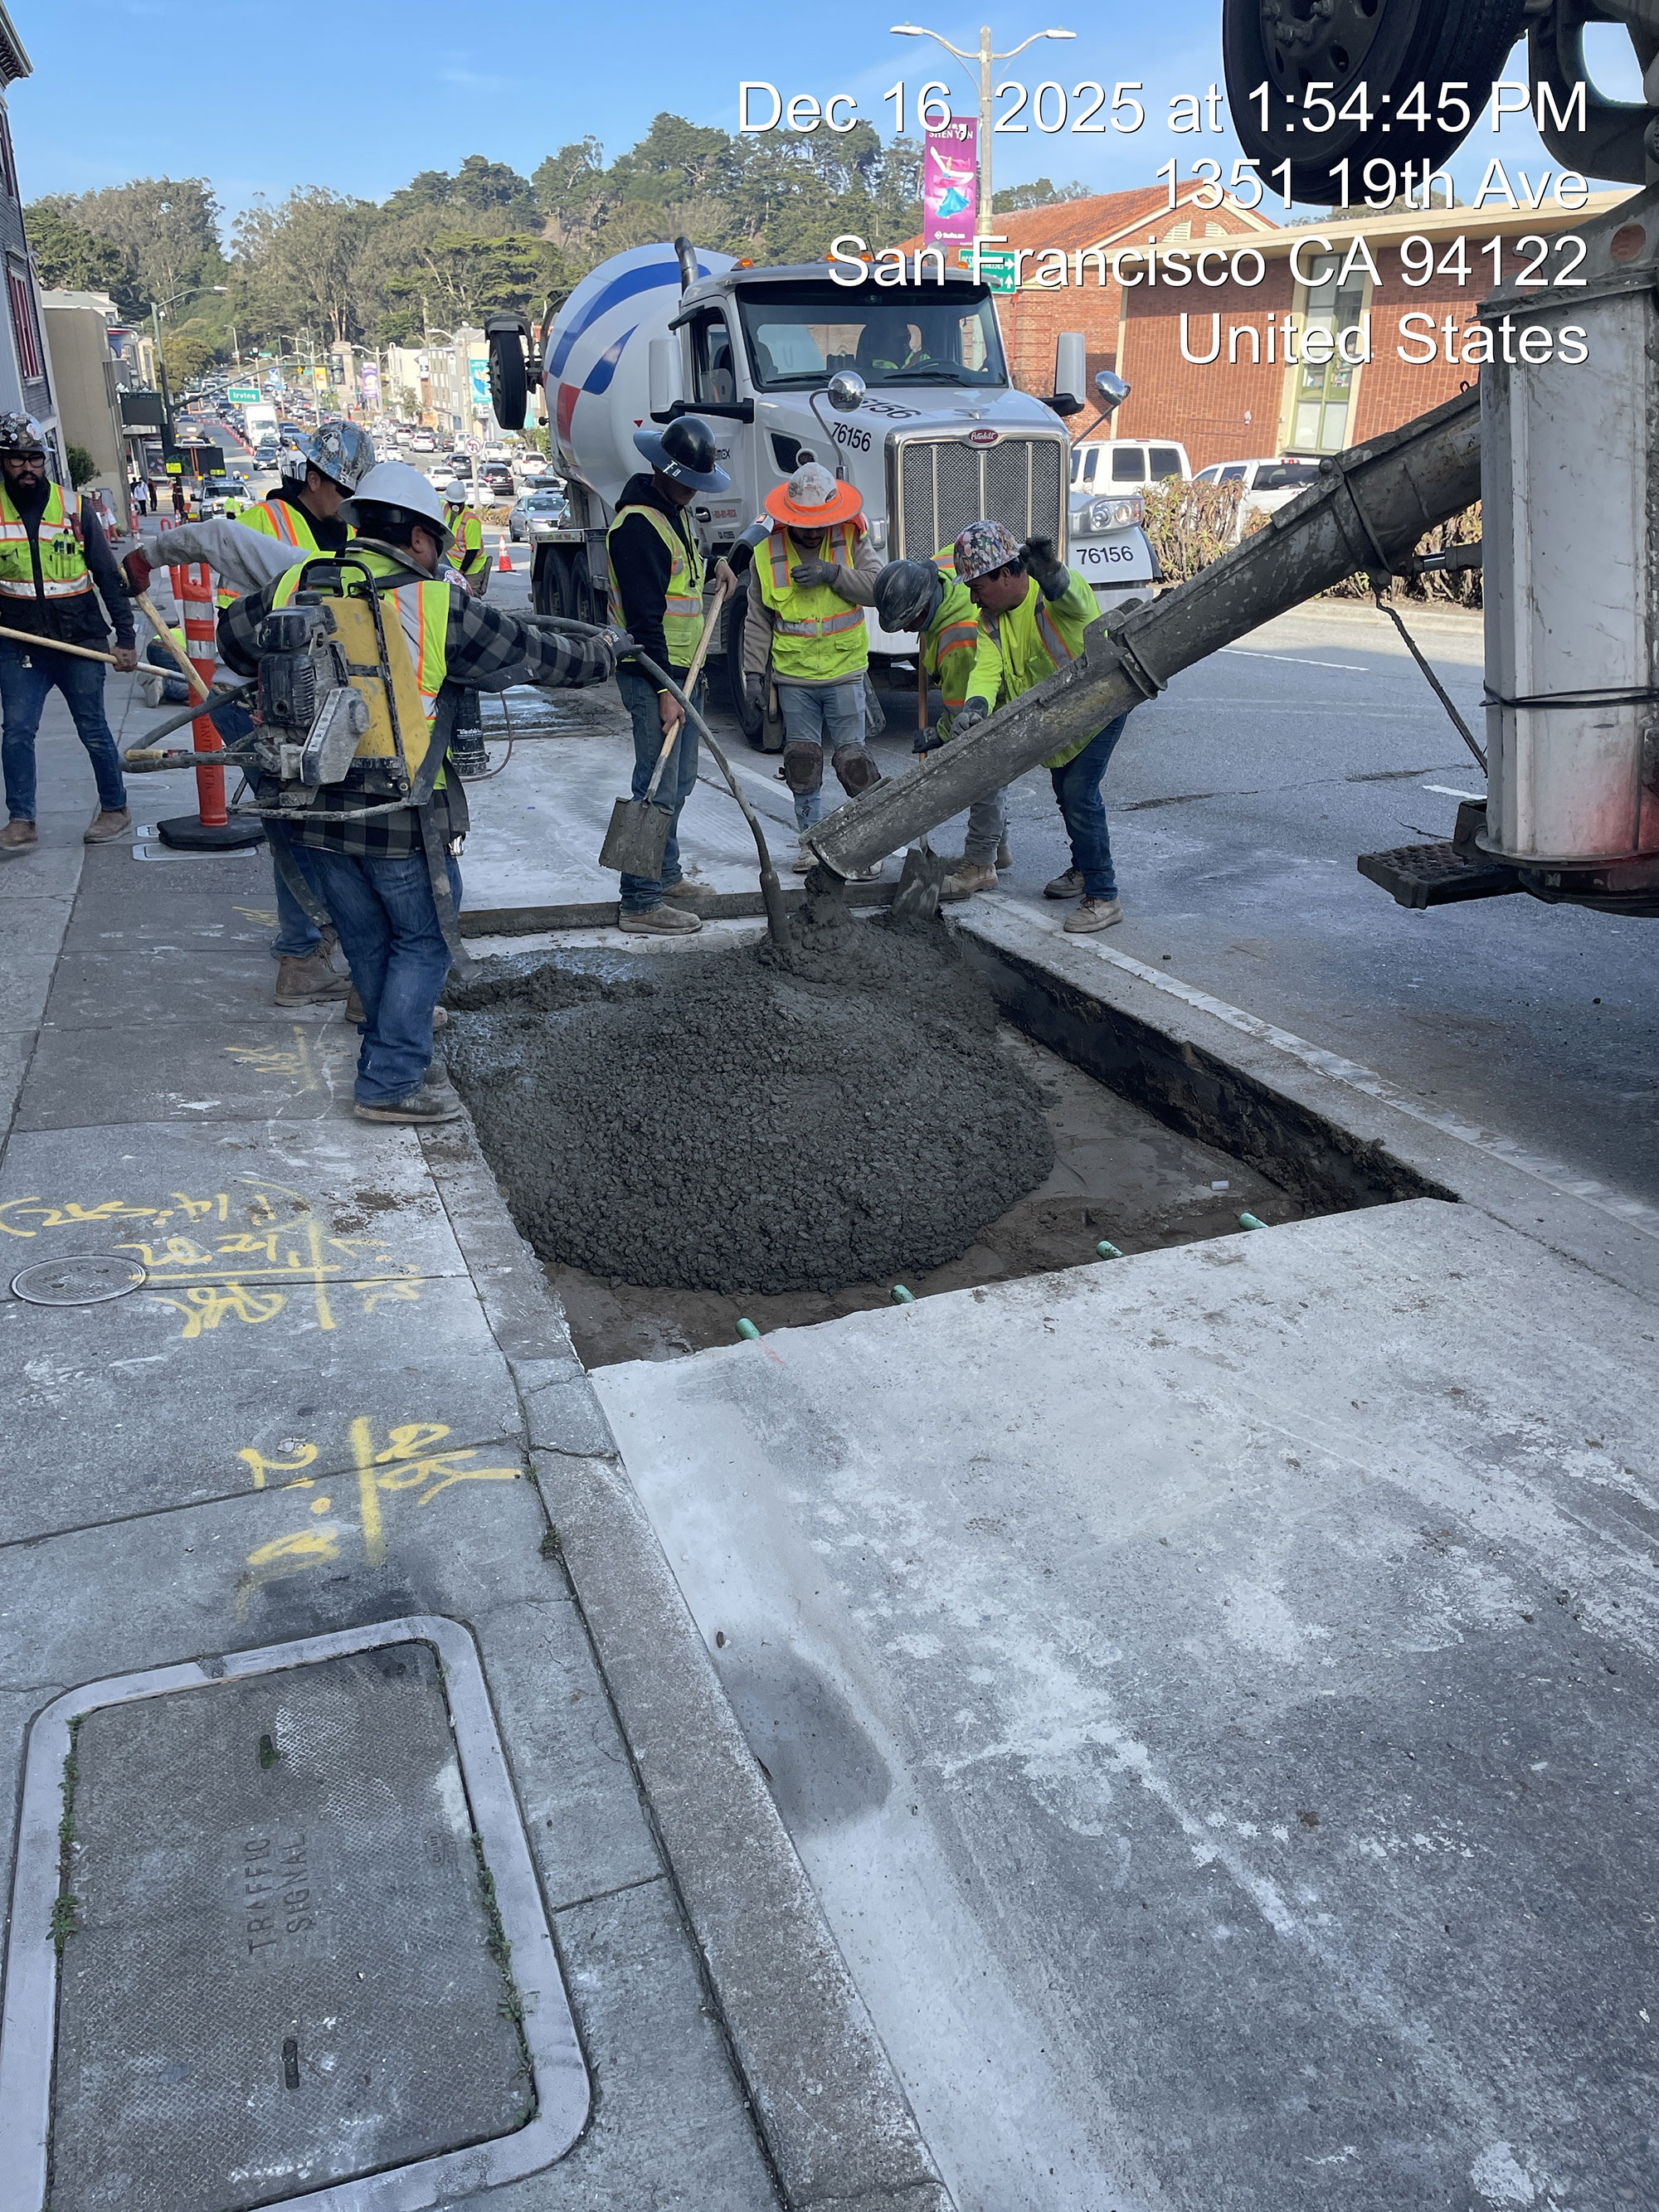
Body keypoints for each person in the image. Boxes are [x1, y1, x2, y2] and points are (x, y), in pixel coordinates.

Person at [217, 460, 624, 1125]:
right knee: (425, 940)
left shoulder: (295, 581)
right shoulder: (435, 604)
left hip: (311, 808)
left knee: (368, 939)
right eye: (436, 540)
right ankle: (391, 1079)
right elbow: (538, 655)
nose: (439, 553)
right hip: (397, 813)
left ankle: (388, 1055)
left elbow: (233, 642)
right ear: (415, 538)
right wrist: (608, 651)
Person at [156, 420, 377, 1007]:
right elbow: (238, 609)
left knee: (308, 822)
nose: (351, 505)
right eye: (344, 492)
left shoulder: (339, 532)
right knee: (296, 825)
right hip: (256, 698)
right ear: (313, 479)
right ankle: (302, 955)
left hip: (303, 696)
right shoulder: (265, 527)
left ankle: (312, 943)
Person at [950, 518, 1130, 935]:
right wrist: (975, 705)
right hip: (1060, 720)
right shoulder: (991, 621)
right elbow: (987, 669)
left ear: (1008, 574)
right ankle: (1084, 868)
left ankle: (1104, 895)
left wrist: (1052, 574)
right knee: (1067, 796)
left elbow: (1078, 603)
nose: (974, 599)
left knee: (1079, 795)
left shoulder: (1050, 598)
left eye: (977, 587)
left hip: (1098, 706)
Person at [605, 416, 731, 936]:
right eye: (688, 480)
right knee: (653, 782)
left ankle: (666, 872)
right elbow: (643, 619)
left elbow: (686, 578)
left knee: (677, 781)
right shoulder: (638, 526)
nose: (693, 489)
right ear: (664, 469)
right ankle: (639, 899)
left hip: (685, 669)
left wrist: (717, 566)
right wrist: (662, 689)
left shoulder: (675, 513)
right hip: (653, 673)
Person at [0, 417, 137, 856]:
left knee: (93, 728)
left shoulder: (75, 509)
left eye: (35, 458)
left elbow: (106, 575)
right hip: (20, 644)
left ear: (46, 462)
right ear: (4, 463)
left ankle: (115, 807)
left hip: (79, 640)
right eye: (18, 458)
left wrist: (127, 638)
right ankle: (21, 821)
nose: (27, 467)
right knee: (17, 732)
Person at [742, 460, 883, 875]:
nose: (811, 529)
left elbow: (878, 588)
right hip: (794, 677)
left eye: (818, 521)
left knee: (853, 761)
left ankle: (869, 844)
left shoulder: (851, 539)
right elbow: (757, 618)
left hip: (844, 671)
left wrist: (833, 574)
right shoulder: (766, 554)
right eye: (802, 521)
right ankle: (810, 842)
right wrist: (753, 675)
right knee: (802, 759)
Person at [872, 549, 1011, 899]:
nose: (905, 629)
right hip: (988, 685)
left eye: (908, 621)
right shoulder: (941, 572)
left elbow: (963, 718)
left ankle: (981, 864)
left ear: (923, 609)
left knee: (980, 772)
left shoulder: (958, 640)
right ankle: (999, 851)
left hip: (991, 701)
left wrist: (937, 735)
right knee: (988, 774)